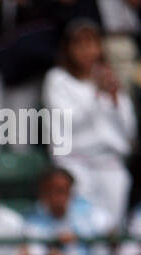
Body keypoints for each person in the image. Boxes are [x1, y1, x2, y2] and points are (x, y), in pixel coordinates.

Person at [43, 17, 136, 232]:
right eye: (80, 44)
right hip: (76, 164)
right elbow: (67, 121)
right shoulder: (58, 79)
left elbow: (129, 129)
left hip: (110, 165)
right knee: (84, 227)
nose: (87, 50)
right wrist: (96, 95)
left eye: (92, 43)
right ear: (69, 48)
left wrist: (114, 99)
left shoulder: (109, 77)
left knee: (113, 230)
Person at [22, 165, 111, 255]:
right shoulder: (32, 221)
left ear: (71, 191)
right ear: (43, 193)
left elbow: (112, 231)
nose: (57, 196)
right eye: (51, 190)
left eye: (62, 190)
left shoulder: (89, 213)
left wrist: (79, 238)